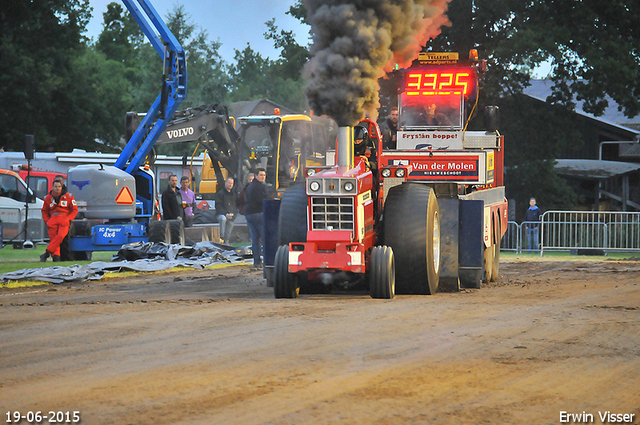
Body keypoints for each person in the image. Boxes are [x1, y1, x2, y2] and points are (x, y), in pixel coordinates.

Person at [41, 179, 78, 262]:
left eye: (59, 186)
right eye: (55, 186)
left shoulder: (68, 196)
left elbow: (75, 209)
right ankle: (56, 257)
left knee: (60, 236)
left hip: (64, 219)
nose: (57, 188)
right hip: (52, 220)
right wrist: (47, 221)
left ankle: (47, 253)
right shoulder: (48, 198)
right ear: (52, 187)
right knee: (54, 239)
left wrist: (69, 219)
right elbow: (44, 211)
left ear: (62, 187)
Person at [245, 168, 268, 267]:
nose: (263, 177)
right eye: (261, 175)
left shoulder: (250, 186)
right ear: (256, 175)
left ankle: (257, 261)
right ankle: (267, 260)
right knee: (264, 238)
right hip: (258, 213)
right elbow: (262, 200)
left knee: (255, 239)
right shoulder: (259, 187)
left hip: (249, 214)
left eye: (264, 175)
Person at [215, 177, 237, 244]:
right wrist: (225, 213)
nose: (230, 185)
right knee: (223, 218)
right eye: (229, 183)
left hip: (231, 216)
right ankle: (221, 237)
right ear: (225, 183)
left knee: (230, 224)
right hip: (221, 214)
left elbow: (236, 206)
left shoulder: (234, 194)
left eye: (232, 183)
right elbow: (218, 206)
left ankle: (226, 242)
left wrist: (233, 215)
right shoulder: (220, 193)